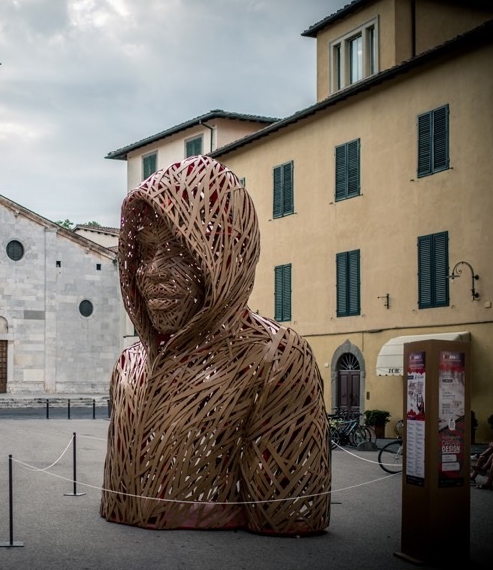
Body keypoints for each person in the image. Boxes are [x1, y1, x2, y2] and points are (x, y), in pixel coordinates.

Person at [100, 156, 330, 535]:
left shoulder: (276, 358)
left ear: (223, 259)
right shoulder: (130, 365)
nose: (152, 271)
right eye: (144, 251)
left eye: (177, 253)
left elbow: (288, 512)